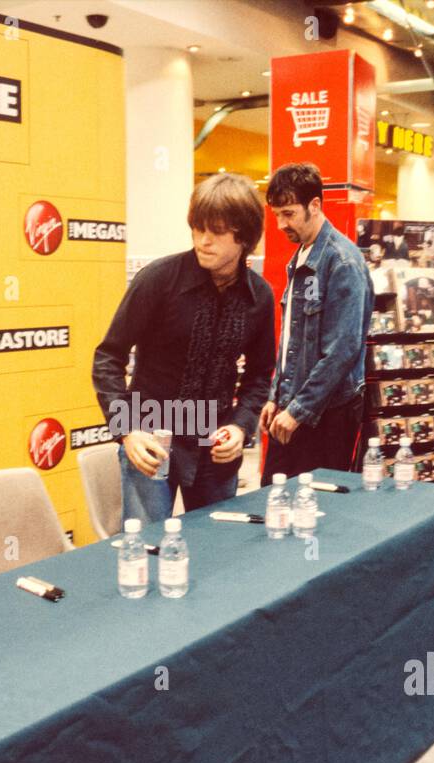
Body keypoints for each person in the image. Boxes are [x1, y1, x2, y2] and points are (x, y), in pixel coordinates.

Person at [92, 173, 274, 523]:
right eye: (197, 228)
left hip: (214, 441)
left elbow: (259, 375)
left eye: (217, 231)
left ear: (244, 237)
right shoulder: (158, 279)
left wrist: (240, 427)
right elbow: (108, 357)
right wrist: (127, 430)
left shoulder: (259, 297)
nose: (203, 240)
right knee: (148, 552)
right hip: (150, 435)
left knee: (217, 549)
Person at [259, 163, 372, 482]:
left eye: (289, 213)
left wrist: (297, 410)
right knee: (276, 498)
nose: (281, 224)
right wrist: (276, 397)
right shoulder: (302, 257)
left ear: (315, 206)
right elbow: (291, 343)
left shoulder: (342, 262)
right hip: (295, 408)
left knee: (317, 513)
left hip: (327, 417)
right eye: (277, 214)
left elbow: (342, 350)